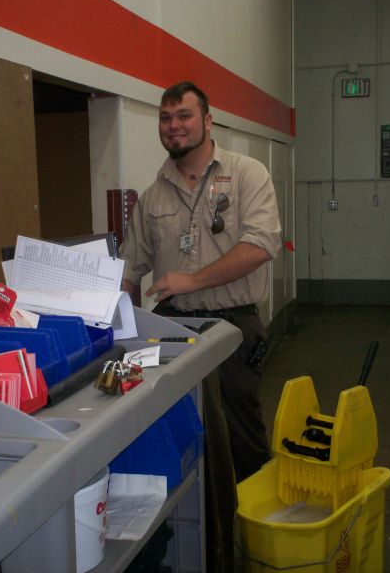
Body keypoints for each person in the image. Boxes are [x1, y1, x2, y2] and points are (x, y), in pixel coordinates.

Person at [120, 80, 282, 481]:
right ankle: (199, 515)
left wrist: (191, 280)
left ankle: (248, 514)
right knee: (178, 428)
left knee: (241, 433)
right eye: (165, 118)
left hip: (233, 326)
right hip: (173, 327)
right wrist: (117, 331)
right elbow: (128, 269)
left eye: (184, 115)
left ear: (208, 121)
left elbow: (261, 245)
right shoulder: (153, 196)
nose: (173, 125)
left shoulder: (246, 174)